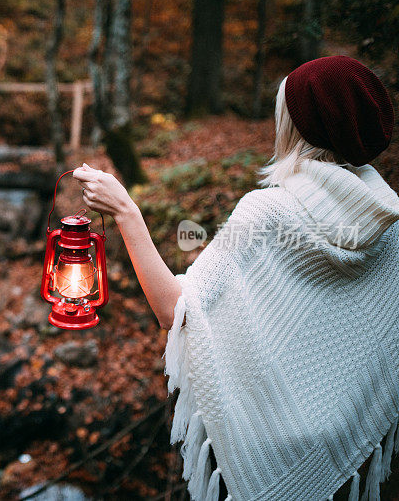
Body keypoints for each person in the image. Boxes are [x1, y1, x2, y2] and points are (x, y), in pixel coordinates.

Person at [72, 55, 399, 500]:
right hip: (348, 451)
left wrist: (125, 211)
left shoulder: (266, 214)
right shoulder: (391, 223)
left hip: (265, 441)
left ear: (302, 125)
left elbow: (175, 308)